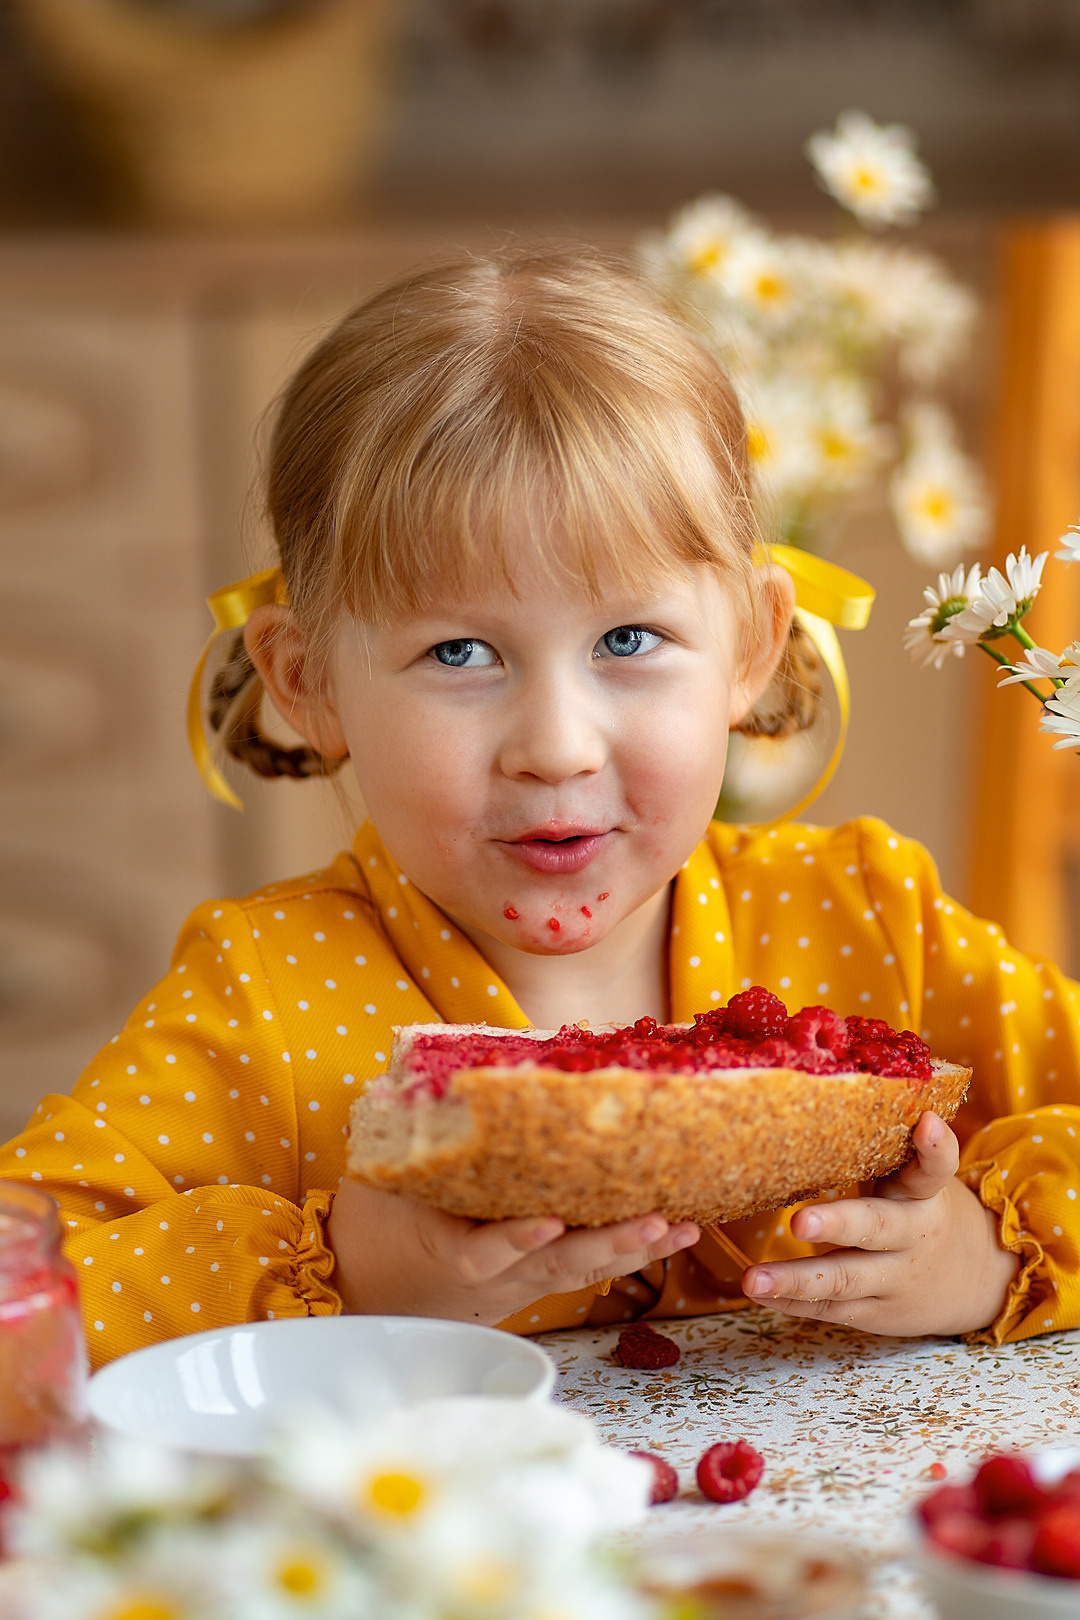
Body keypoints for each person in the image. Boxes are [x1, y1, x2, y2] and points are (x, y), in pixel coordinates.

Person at [5, 249, 1078, 1371]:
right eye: (460, 652)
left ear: (755, 645)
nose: (556, 747)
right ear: (308, 681)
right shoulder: (260, 999)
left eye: (628, 640)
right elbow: (26, 1302)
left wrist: (992, 1258)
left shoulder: (868, 921)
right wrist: (343, 1272)